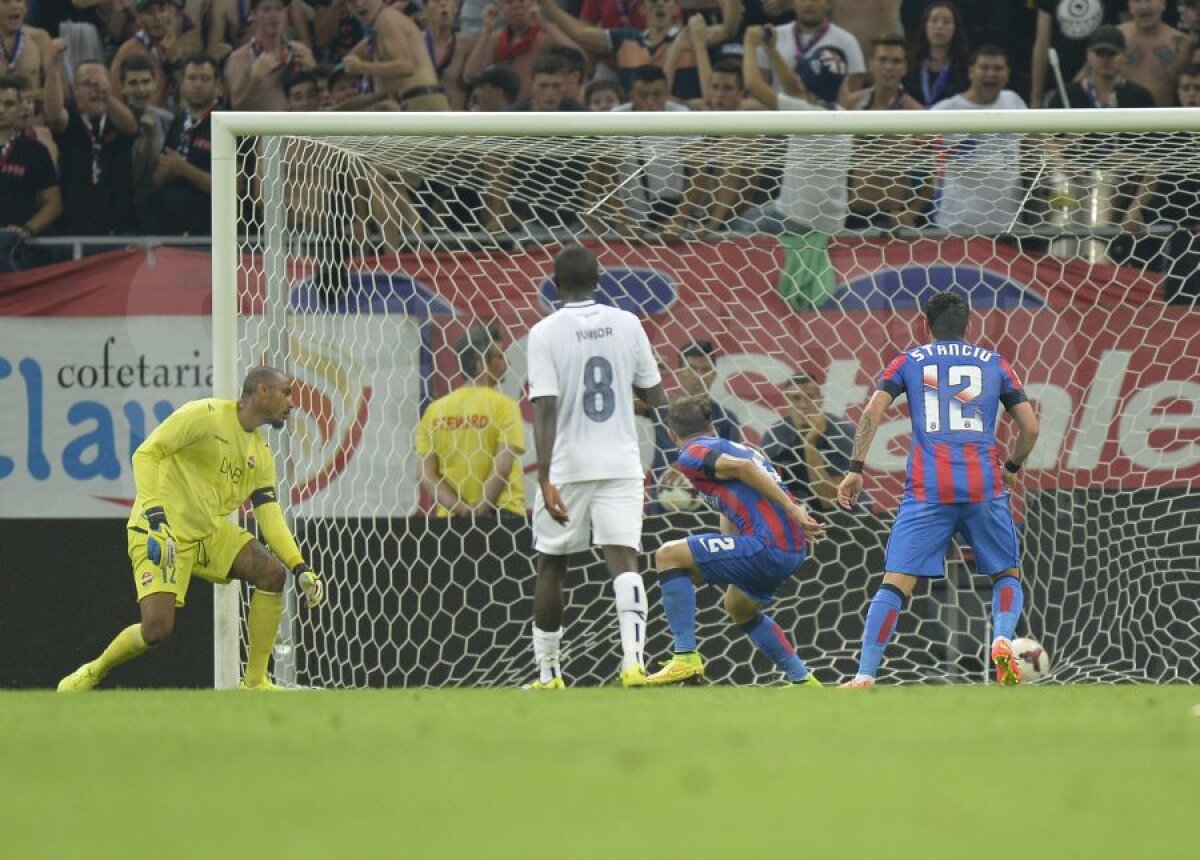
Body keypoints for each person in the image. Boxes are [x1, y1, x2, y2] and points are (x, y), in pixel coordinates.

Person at [57, 366, 327, 692]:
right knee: (156, 629)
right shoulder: (205, 415)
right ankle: (94, 671)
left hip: (208, 533)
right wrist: (156, 518)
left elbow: (268, 513)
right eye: (286, 393)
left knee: (272, 574)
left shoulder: (261, 454)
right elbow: (146, 454)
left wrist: (299, 566)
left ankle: (255, 682)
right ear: (262, 392)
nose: (292, 403)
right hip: (162, 531)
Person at [837, 292, 1040, 687]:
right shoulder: (995, 363)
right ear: (968, 325)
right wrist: (1012, 468)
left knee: (895, 582)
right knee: (1007, 573)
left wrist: (855, 469)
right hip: (983, 484)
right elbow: (1030, 428)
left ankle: (864, 674)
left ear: (925, 325)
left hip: (928, 488)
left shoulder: (908, 361)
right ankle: (1002, 639)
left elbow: (872, 412)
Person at [525, 244, 666, 689]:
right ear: (598, 280)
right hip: (621, 462)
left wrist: (544, 476)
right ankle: (634, 664)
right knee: (625, 559)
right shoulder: (628, 323)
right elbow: (655, 397)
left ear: (555, 284)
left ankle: (549, 675)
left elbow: (544, 406)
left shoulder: (544, 333)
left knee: (552, 564)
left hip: (568, 466)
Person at [645, 395, 826, 686]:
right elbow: (731, 508)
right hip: (790, 546)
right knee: (738, 605)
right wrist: (723, 559)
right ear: (711, 425)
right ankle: (803, 679)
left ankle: (685, 657)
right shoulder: (735, 447)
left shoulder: (692, 453)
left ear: (671, 433)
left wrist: (793, 509)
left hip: (769, 544)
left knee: (668, 555)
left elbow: (745, 469)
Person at [417, 325, 526, 517]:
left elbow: (427, 475)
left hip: (452, 520)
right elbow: (502, 466)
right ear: (481, 363)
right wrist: (480, 511)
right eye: (500, 356)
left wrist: (462, 510)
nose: (507, 361)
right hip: (502, 514)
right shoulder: (505, 406)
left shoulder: (434, 411)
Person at [929, 46, 1027, 236]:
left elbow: (1039, 139)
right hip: (957, 226)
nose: (991, 73)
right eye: (984, 67)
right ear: (971, 72)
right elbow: (918, 150)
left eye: (998, 68)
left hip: (1008, 227)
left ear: (1007, 74)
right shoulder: (945, 111)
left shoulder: (1013, 101)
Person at [761, 373, 854, 512]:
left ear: (820, 400)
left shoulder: (841, 432)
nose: (803, 405)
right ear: (786, 401)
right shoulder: (775, 435)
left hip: (843, 514)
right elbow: (766, 489)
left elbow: (831, 501)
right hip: (794, 510)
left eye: (810, 397)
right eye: (796, 398)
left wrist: (810, 444)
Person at [152, 54, 217, 236]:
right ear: (182, 84)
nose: (198, 85)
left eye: (205, 79)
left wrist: (184, 169)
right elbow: (158, 177)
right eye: (192, 78)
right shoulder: (178, 122)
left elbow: (232, 187)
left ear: (218, 85)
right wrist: (160, 174)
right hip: (171, 230)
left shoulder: (227, 124)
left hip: (209, 233)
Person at [0, 74, 60, 268]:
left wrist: (26, 230)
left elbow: (54, 203)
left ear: (20, 108)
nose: (1, 110)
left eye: (9, 104)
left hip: (13, 250)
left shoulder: (35, 151)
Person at [345, 0, 450, 110]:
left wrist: (362, 67)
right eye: (352, 1)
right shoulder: (379, 31)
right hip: (416, 100)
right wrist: (338, 109)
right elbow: (382, 93)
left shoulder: (387, 18)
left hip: (422, 100)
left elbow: (406, 66)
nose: (359, 3)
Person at [755, 0, 865, 99]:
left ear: (829, 3)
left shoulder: (846, 42)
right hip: (781, 112)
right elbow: (760, 86)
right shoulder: (773, 36)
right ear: (793, 3)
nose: (808, 4)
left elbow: (853, 94)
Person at [225, 0, 316, 111]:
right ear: (253, 15)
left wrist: (314, 71)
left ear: (286, 12)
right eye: (266, 10)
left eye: (279, 9)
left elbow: (322, 99)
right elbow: (236, 110)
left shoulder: (300, 51)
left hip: (298, 121)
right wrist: (255, 81)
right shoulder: (239, 58)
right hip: (260, 121)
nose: (273, 15)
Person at [1029, 0, 1123, 108]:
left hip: (1104, 83)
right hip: (1058, 82)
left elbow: (1125, 34)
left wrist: (1084, 74)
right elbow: (1042, 43)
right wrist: (1036, 97)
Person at [1046, 26, 1155, 108]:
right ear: (1088, 55)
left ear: (1124, 55)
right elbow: (1049, 131)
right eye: (1099, 53)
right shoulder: (1065, 96)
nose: (1105, 59)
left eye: (1112, 54)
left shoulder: (1141, 98)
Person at [1119, 0, 1191, 106]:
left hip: (1165, 114)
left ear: (1163, 4)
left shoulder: (1182, 44)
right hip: (1121, 114)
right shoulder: (1116, 38)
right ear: (1129, 5)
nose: (1144, 6)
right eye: (1137, 1)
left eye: (1149, 0)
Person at [903, 0, 969, 107]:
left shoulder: (964, 66)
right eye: (934, 21)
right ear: (925, 26)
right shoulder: (910, 63)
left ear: (955, 28)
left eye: (946, 22)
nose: (939, 26)